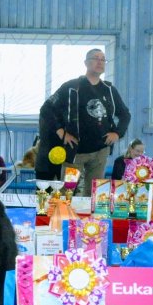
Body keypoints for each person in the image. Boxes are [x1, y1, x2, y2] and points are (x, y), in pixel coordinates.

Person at [39, 48, 131, 195]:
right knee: (66, 191)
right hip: (75, 151)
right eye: (96, 58)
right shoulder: (71, 87)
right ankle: (63, 216)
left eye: (103, 59)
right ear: (86, 63)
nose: (100, 62)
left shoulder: (109, 90)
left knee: (95, 194)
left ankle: (92, 219)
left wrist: (117, 133)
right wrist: (61, 132)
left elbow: (125, 114)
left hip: (100, 151)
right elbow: (46, 109)